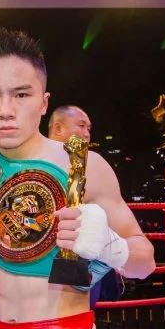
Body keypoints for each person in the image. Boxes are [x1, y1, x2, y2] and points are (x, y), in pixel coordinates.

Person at [0, 28, 155, 329]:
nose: (5, 110)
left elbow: (145, 263)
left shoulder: (82, 165)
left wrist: (111, 246)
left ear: (44, 102)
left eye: (21, 94)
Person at [47, 105, 121, 308]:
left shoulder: (94, 167)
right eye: (81, 126)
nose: (87, 133)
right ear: (58, 128)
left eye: (88, 128)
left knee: (78, 315)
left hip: (81, 264)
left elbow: (122, 232)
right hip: (33, 268)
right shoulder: (30, 166)